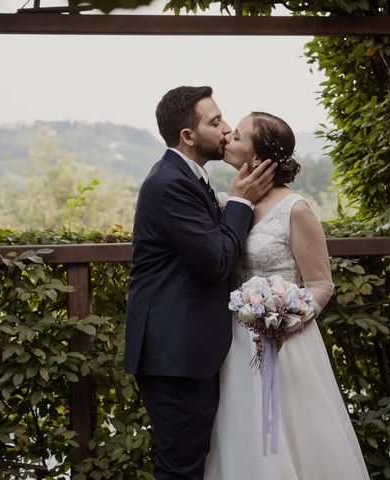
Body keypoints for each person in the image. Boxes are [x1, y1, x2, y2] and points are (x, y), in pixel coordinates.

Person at [204, 112, 370, 479]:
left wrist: (282, 319)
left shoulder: (295, 209)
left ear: (259, 157)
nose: (228, 135)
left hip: (286, 342)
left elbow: (321, 284)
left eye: (239, 135)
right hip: (234, 343)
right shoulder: (230, 204)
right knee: (239, 434)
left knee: (291, 438)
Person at [124, 87, 277, 480]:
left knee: (191, 461)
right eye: (215, 122)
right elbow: (217, 261)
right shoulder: (170, 184)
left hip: (188, 350)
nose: (226, 130)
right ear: (188, 136)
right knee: (181, 468)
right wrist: (241, 203)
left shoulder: (190, 177)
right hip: (175, 355)